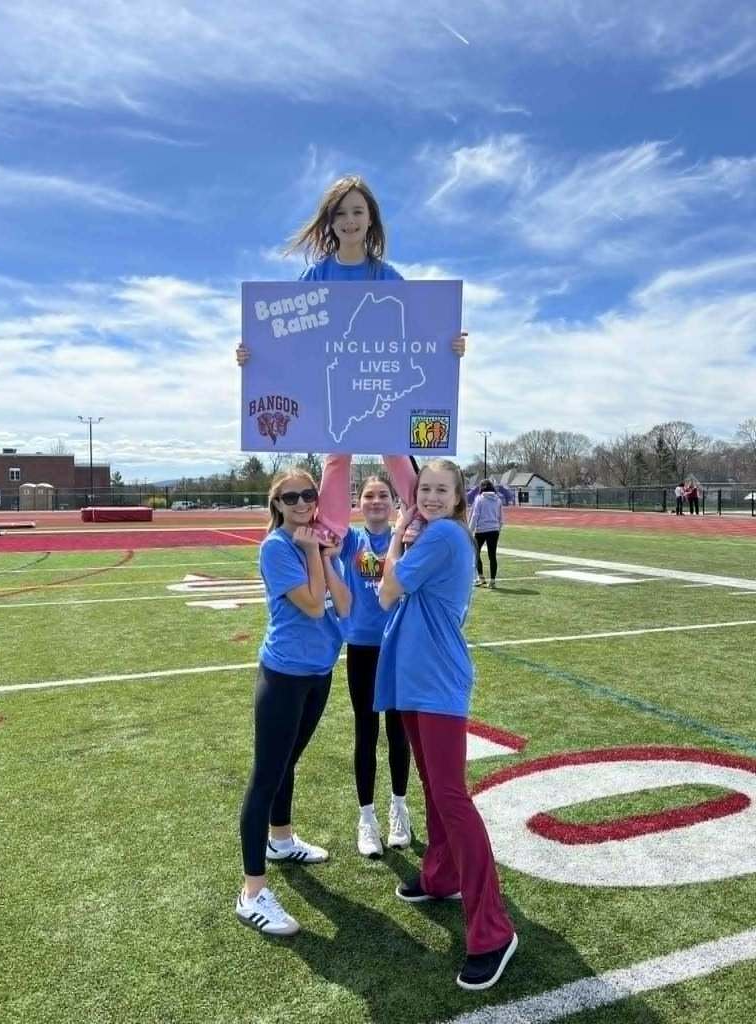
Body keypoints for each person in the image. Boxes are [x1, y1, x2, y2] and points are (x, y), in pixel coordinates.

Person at [236, 173, 467, 541]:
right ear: (330, 221)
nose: (350, 220)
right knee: (336, 455)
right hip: (337, 382)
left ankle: (418, 516)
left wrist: (448, 346)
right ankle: (331, 530)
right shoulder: (316, 275)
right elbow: (287, 332)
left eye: (358, 211)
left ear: (371, 218)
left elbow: (418, 330)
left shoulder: (387, 276)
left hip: (381, 378)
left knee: (394, 448)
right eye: (341, 213)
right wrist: (255, 354)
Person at [375, 460, 518, 992]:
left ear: (460, 498)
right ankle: (442, 876)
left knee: (452, 796)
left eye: (441, 490)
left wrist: (395, 538)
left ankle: (494, 931)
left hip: (436, 680)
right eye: (424, 489)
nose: (431, 497)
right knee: (433, 787)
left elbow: (387, 591)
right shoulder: (431, 536)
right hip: (415, 676)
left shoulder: (444, 538)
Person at [235, 470, 351, 937]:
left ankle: (280, 841)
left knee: (289, 763)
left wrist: (326, 555)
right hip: (284, 674)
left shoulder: (321, 543)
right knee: (267, 774)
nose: (303, 502)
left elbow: (342, 606)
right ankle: (251, 892)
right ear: (277, 503)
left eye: (309, 494)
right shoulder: (278, 547)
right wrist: (311, 551)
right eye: (292, 497)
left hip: (319, 671)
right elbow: (312, 605)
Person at [318, 460, 417, 857]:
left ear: (395, 503)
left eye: (383, 495)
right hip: (361, 645)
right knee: (366, 730)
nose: (376, 501)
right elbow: (328, 515)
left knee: (398, 731)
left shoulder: (407, 537)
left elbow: (416, 493)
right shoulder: (351, 540)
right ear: (358, 505)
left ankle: (399, 808)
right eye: (368, 496)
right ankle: (367, 818)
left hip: (398, 644)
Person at [469, 478, 503, 588]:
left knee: (475, 553)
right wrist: (498, 528)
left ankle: (481, 577)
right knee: (492, 555)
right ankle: (492, 581)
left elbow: (475, 516)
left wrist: (470, 530)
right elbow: (501, 518)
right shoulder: (498, 500)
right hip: (494, 530)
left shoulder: (479, 499)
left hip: (481, 530)